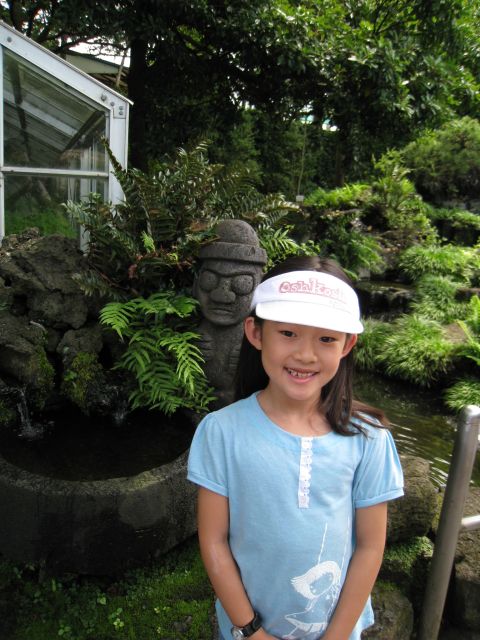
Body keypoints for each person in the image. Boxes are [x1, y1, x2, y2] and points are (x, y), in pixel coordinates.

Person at [187, 255, 404, 640]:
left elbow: (370, 547)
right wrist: (251, 631)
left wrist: (336, 636)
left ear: (348, 344)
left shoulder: (368, 438)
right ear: (256, 333)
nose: (305, 354)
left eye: (326, 338)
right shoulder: (221, 432)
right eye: (288, 333)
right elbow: (214, 540)